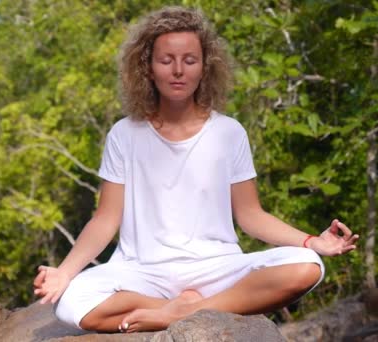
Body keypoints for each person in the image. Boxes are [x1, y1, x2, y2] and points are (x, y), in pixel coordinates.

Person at [32, 6, 358, 333]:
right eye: (166, 60)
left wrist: (312, 242)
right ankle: (179, 308)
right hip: (142, 272)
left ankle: (178, 313)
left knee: (308, 267)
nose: (178, 70)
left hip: (216, 268)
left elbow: (251, 215)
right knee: (71, 301)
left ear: (204, 67)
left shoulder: (229, 133)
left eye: (189, 60)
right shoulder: (124, 134)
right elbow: (105, 219)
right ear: (147, 67)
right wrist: (65, 272)